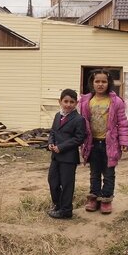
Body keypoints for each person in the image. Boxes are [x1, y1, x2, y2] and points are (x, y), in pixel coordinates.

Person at [77, 70, 128, 214]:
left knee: (108, 173)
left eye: (104, 81)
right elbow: (81, 122)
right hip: (92, 143)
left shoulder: (116, 101)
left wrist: (124, 141)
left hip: (110, 144)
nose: (100, 84)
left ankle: (106, 199)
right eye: (97, 81)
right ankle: (93, 198)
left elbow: (123, 123)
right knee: (94, 173)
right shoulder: (85, 101)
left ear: (109, 83)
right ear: (92, 83)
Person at [47, 89, 86, 220]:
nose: (68, 104)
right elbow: (52, 132)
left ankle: (66, 210)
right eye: (65, 101)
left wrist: (61, 147)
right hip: (55, 156)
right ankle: (57, 205)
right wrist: (51, 143)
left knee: (67, 184)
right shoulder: (58, 116)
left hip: (69, 158)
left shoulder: (79, 119)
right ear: (60, 102)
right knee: (53, 181)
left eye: (71, 102)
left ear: (76, 103)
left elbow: (79, 138)